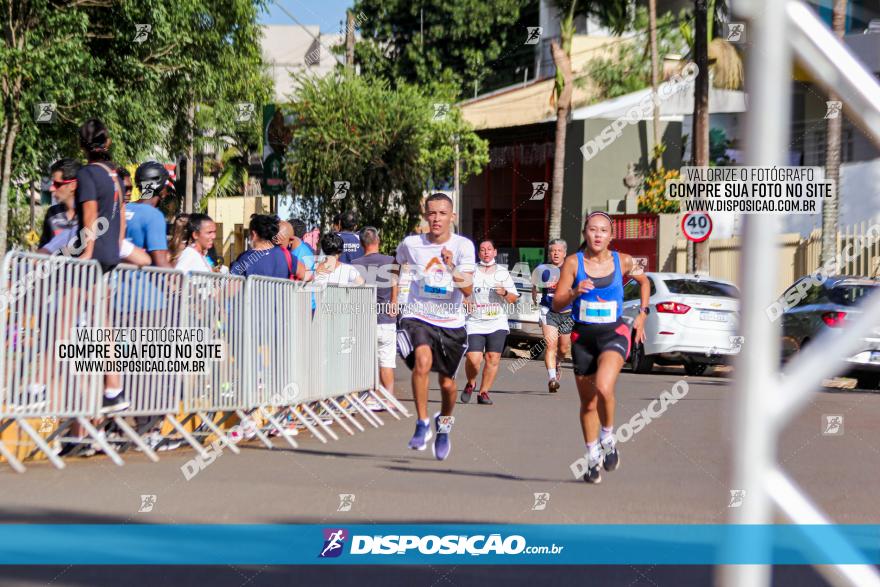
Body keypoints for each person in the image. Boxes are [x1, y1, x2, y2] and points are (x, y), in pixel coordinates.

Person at [552, 211, 650, 484]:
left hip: (614, 334)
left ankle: (608, 436)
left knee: (604, 388)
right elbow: (558, 304)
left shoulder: (624, 261)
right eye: (592, 230)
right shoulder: (573, 263)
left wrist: (642, 314)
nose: (597, 235)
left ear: (611, 235)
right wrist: (573, 292)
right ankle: (592, 456)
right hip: (582, 338)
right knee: (588, 403)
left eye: (603, 230)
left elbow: (645, 282)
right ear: (585, 233)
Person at [393, 193, 475, 461]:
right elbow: (397, 264)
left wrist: (450, 265)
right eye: (431, 213)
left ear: (452, 216)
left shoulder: (463, 247)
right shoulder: (412, 244)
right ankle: (422, 422)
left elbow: (468, 289)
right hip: (419, 315)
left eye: (442, 213)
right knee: (422, 362)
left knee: (448, 385)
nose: (436, 218)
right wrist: (394, 298)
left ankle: (444, 426)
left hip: (451, 322)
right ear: (425, 216)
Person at [74, 118, 128, 412]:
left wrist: (86, 254)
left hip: (93, 258)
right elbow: (120, 217)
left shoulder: (87, 174)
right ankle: (113, 388)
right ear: (106, 143)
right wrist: (116, 249)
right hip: (111, 256)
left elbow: (90, 219)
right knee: (102, 323)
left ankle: (38, 386)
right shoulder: (114, 174)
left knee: (63, 319)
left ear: (82, 145)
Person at [462, 239, 519, 406]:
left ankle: (484, 392)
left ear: (495, 252)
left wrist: (504, 292)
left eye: (489, 249)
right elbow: (461, 292)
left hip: (497, 321)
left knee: (492, 358)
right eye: (482, 249)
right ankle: (471, 383)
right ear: (479, 253)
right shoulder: (471, 271)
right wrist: (465, 301)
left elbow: (513, 299)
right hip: (475, 320)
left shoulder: (502, 272)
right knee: (474, 359)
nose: (486, 252)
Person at [351, 227, 396, 410]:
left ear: (362, 244)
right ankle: (389, 399)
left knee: (366, 361)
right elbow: (395, 283)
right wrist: (394, 302)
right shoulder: (391, 261)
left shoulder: (355, 264)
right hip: (386, 318)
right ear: (379, 241)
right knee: (386, 361)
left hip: (365, 320)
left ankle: (369, 397)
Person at [532, 239, 573, 393]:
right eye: (552, 251)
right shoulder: (542, 269)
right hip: (548, 311)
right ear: (549, 253)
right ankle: (552, 378)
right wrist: (535, 299)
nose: (555, 253)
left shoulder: (571, 269)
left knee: (562, 349)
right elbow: (534, 287)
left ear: (564, 253)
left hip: (567, 313)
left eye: (559, 250)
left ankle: (558, 362)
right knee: (551, 345)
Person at [126, 161, 172, 268]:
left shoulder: (123, 209)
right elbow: (161, 262)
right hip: (142, 282)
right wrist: (181, 280)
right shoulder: (154, 216)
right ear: (161, 189)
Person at [231, 214, 304, 280]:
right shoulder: (286, 254)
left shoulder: (245, 258)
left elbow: (230, 289)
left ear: (254, 234)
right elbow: (307, 275)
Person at [38, 159, 81, 252]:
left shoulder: (88, 214)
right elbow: (42, 250)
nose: (51, 188)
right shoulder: (52, 213)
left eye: (57, 184)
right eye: (52, 183)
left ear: (73, 185)